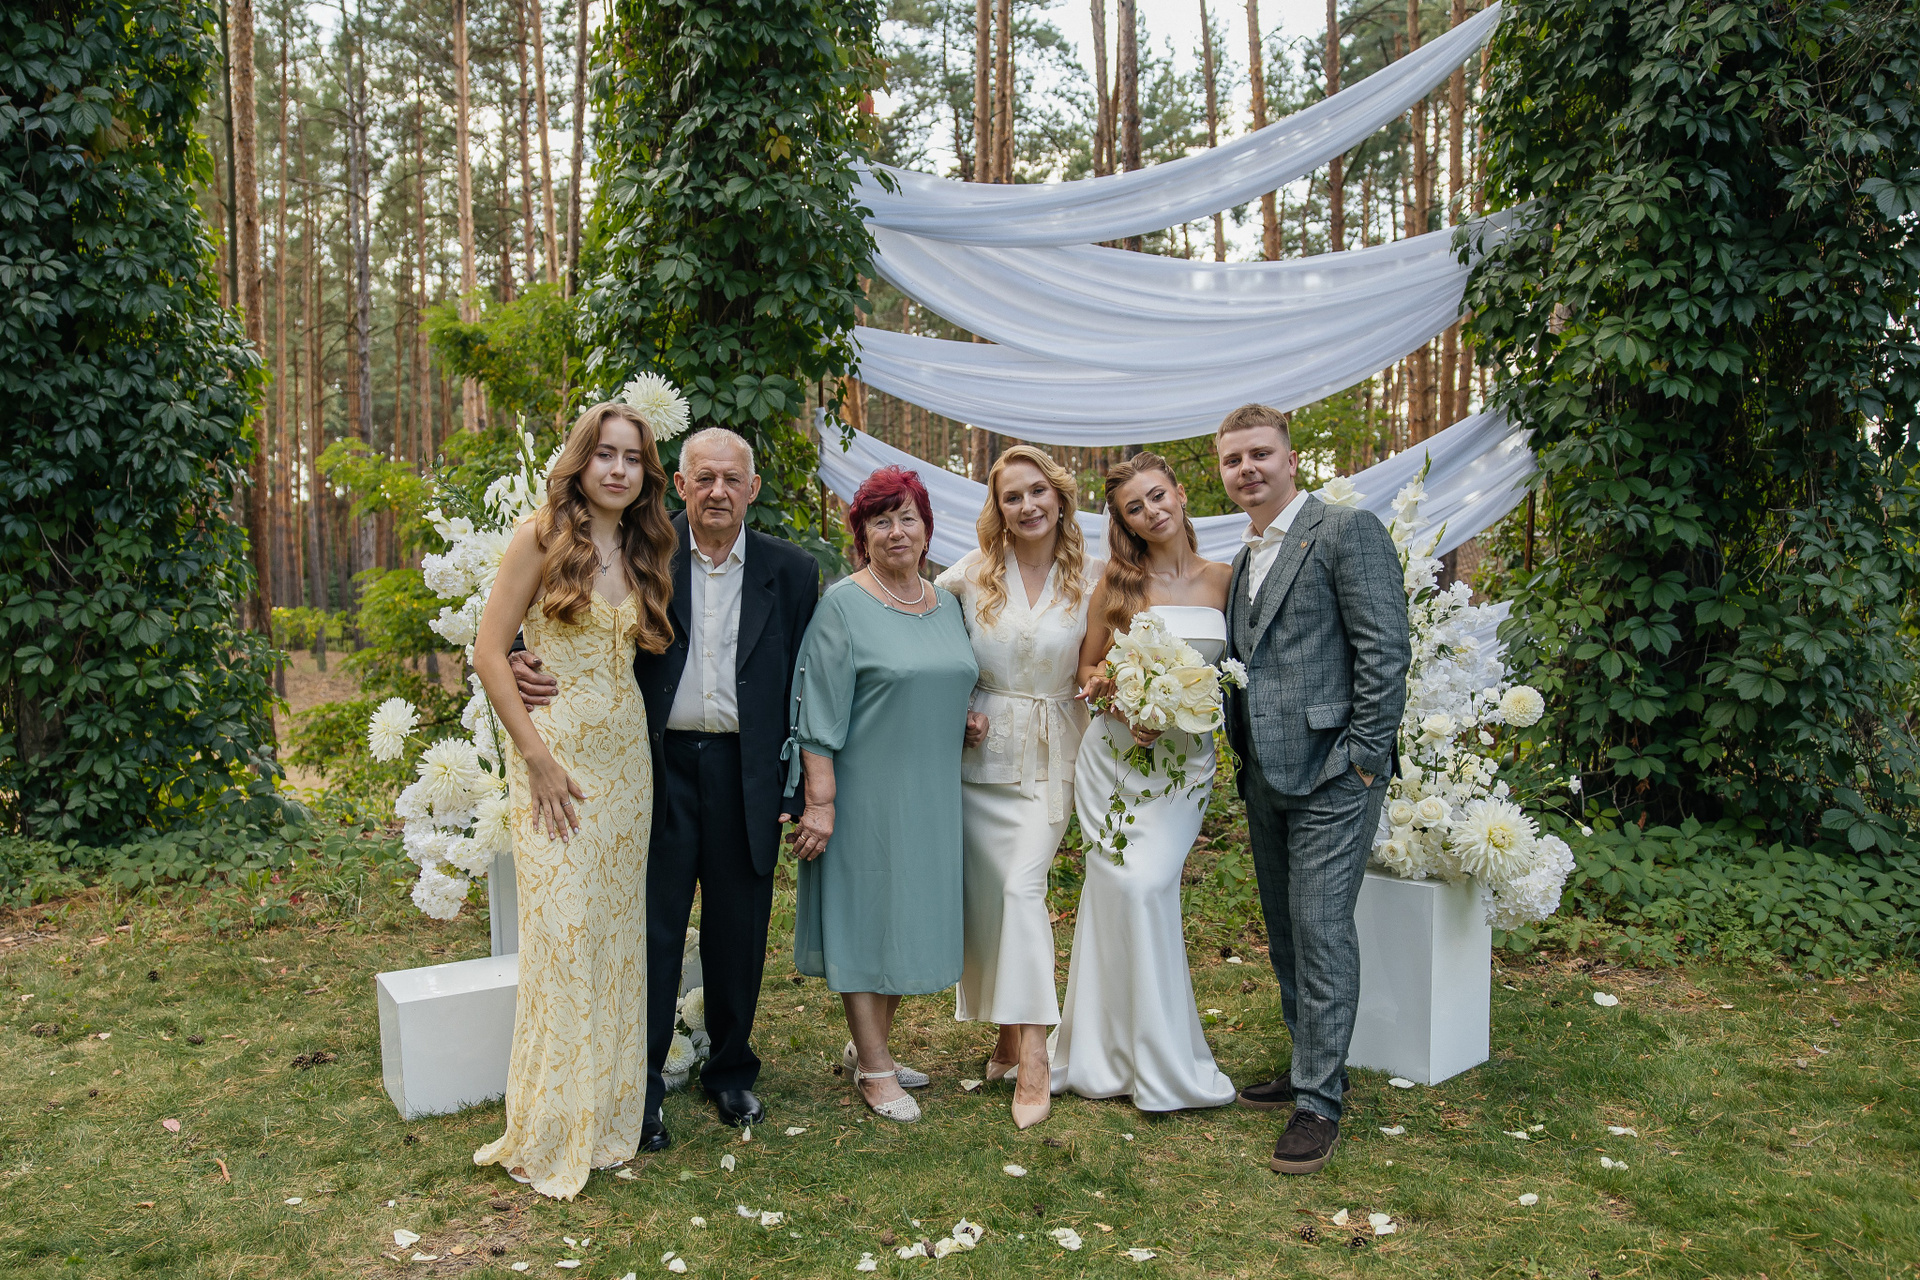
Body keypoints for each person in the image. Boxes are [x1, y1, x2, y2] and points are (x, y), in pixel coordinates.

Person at [508, 427, 820, 1150]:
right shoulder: (647, 547)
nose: (717, 491)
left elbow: (810, 681)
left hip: (745, 767)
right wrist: (522, 653)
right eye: (702, 477)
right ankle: (639, 1087)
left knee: (740, 927)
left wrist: (803, 785)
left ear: (753, 488)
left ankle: (731, 1069)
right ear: (679, 485)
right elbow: (564, 609)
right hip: (650, 764)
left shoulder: (792, 571)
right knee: (650, 928)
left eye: (732, 479)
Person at [470, 400, 678, 1199]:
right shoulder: (541, 537)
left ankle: (608, 1118)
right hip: (554, 762)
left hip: (627, 766)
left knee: (614, 942)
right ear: (581, 461)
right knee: (561, 936)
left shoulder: (645, 545)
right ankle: (549, 1127)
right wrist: (536, 759)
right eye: (606, 454)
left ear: (645, 473)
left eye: (632, 458)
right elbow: (490, 652)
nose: (618, 469)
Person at [1216, 403, 1409, 1176]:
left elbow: (1385, 651)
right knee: (1287, 929)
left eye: (1259, 453)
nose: (1247, 468)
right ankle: (1310, 1065)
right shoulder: (1244, 558)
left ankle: (1319, 1104)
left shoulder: (1344, 531)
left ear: (1291, 460)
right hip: (1265, 772)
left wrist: (1363, 759)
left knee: (1322, 928)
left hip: (1335, 771)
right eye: (1233, 459)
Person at [786, 466, 978, 1123]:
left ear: (927, 530)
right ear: (862, 534)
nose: (896, 531)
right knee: (867, 919)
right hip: (864, 791)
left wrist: (966, 718)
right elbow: (817, 711)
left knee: (906, 916)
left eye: (907, 518)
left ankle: (869, 1047)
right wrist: (821, 801)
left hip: (932, 790)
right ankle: (874, 1069)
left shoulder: (946, 604)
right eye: (880, 520)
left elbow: (942, 679)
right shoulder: (843, 605)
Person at [1048, 452, 1238, 1114]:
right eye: (1135, 507)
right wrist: (1127, 703)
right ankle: (1105, 1054)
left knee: (1149, 886)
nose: (1151, 511)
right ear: (1124, 522)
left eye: (1158, 496)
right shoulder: (1118, 584)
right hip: (1116, 761)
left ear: (1180, 494)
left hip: (1185, 768)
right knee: (1120, 889)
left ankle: (1158, 1056)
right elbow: (1087, 672)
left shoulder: (1226, 580)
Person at [935, 445, 1096, 1130]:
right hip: (978, 760)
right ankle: (1006, 1037)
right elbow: (927, 642)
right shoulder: (970, 575)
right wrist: (954, 708)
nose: (1027, 505)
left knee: (1020, 890)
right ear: (997, 509)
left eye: (1037, 491)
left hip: (1053, 755)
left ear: (1059, 497)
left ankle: (1035, 1055)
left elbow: (1105, 660)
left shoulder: (1092, 576)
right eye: (1012, 496)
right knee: (991, 898)